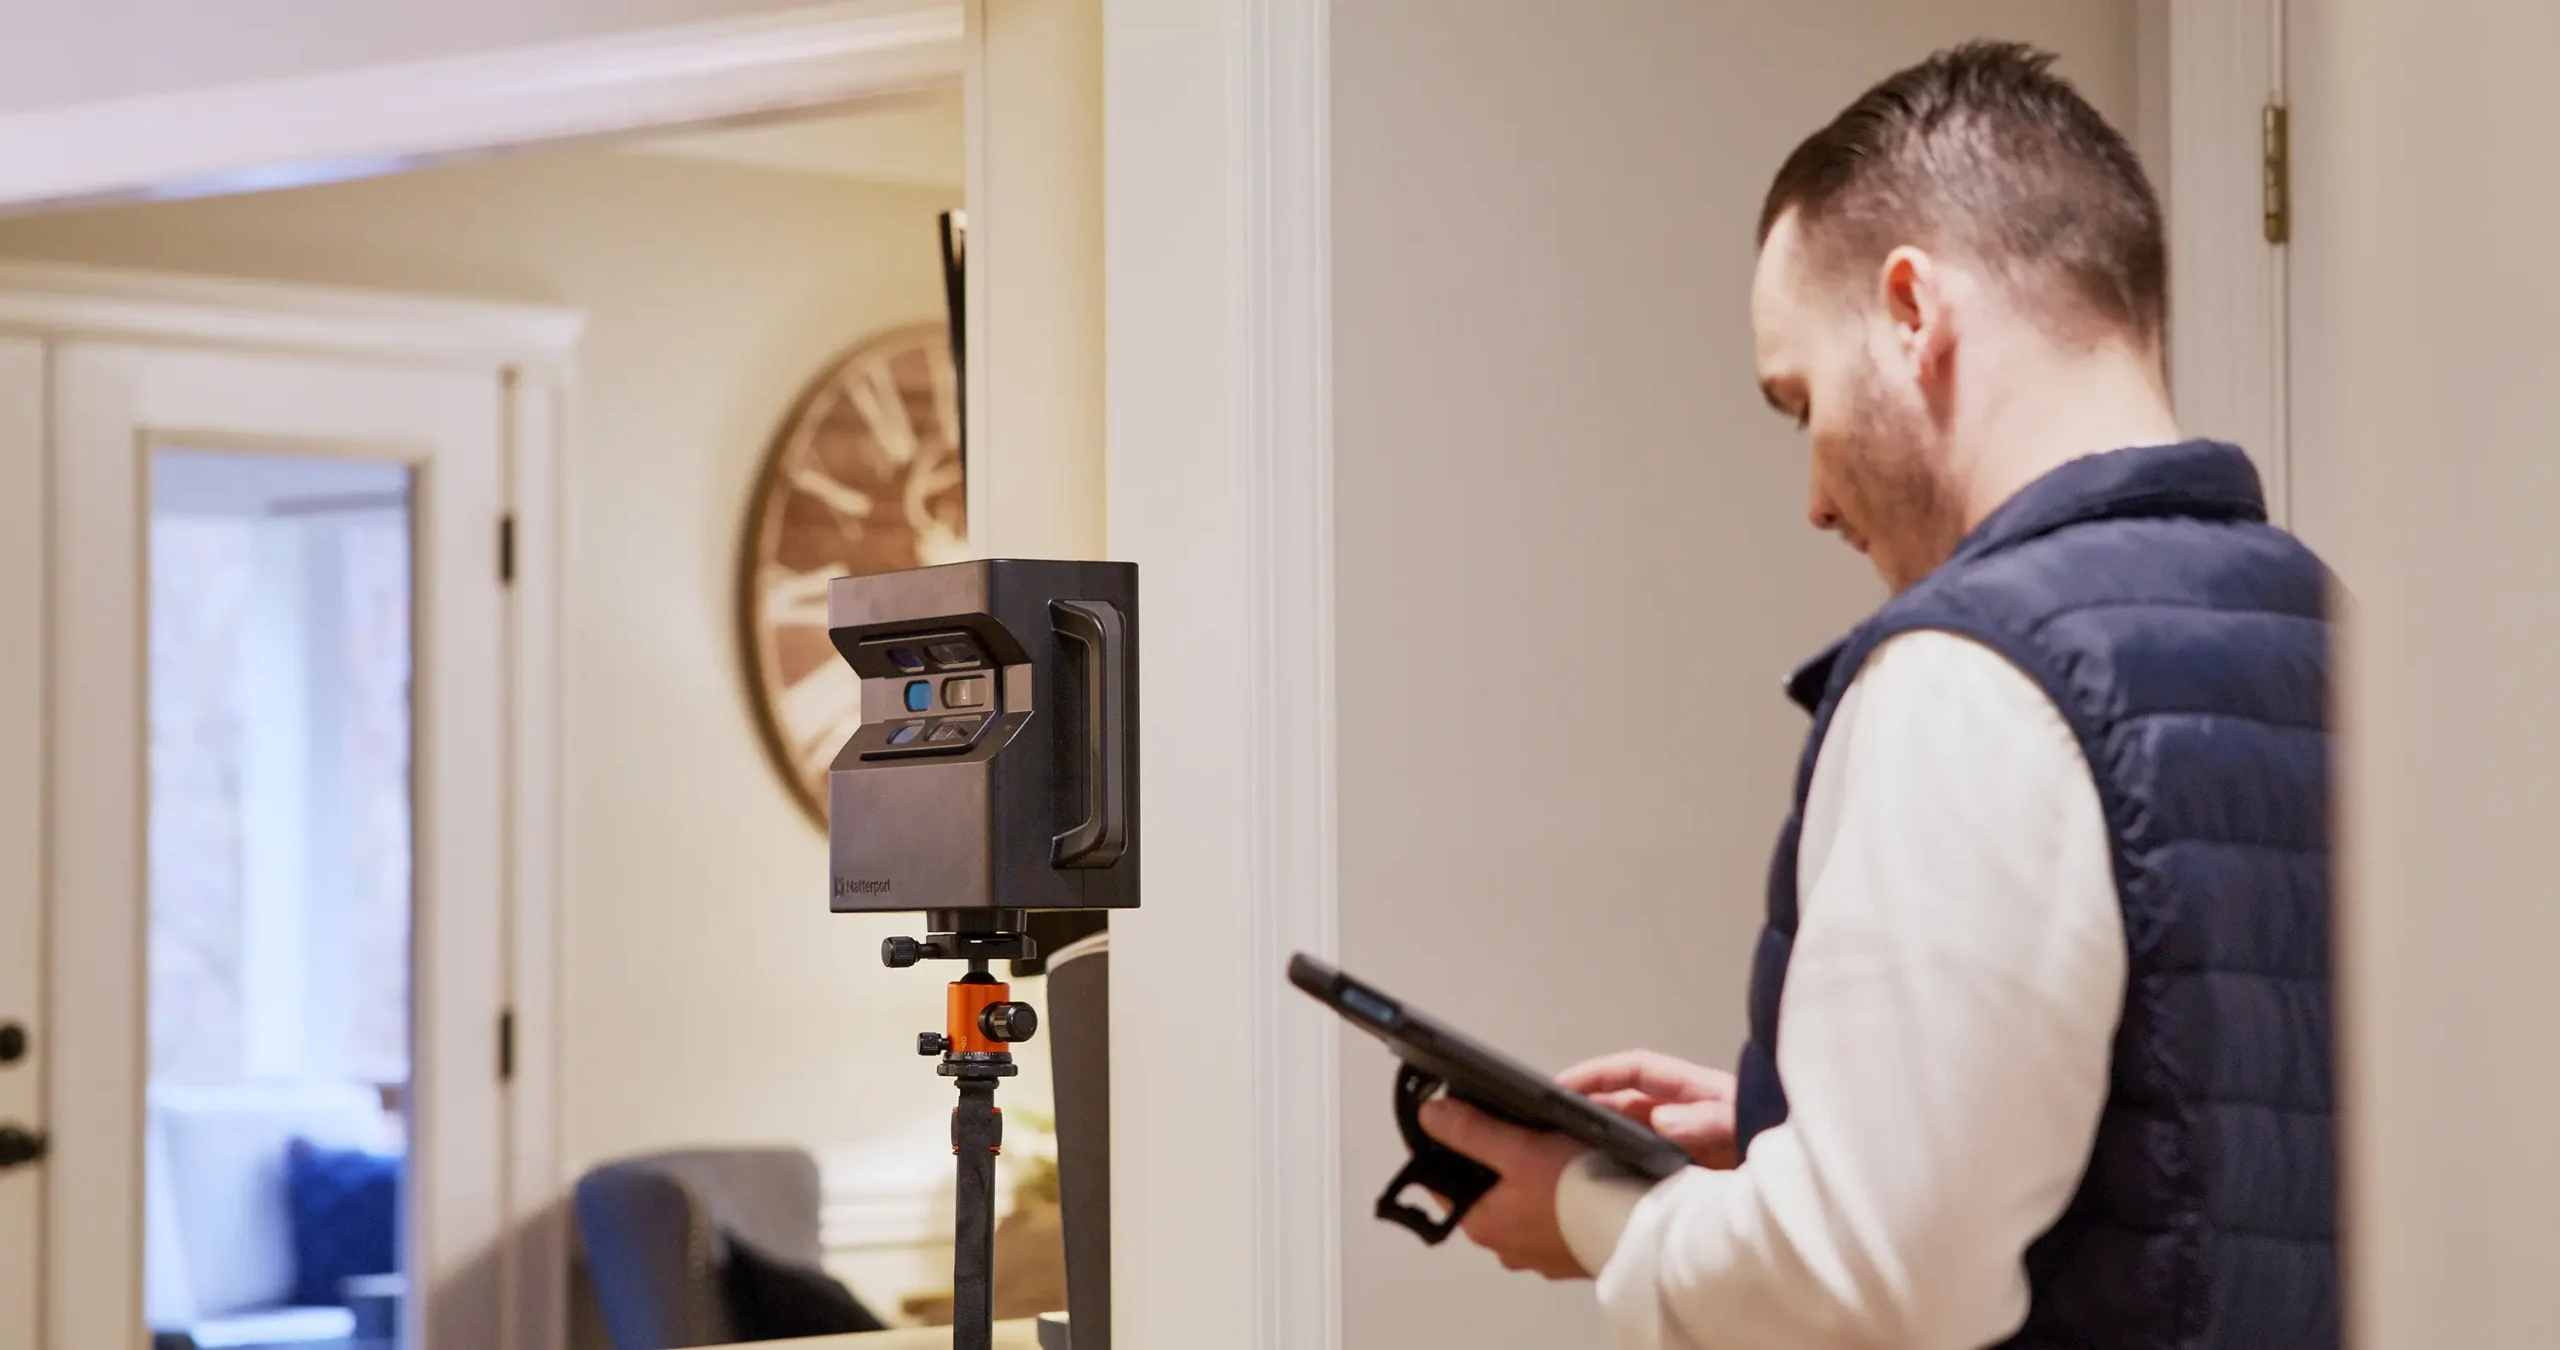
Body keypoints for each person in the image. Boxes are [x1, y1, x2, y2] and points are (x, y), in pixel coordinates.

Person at [1417, 40, 2338, 1350]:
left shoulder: (1976, 677)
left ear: (1912, 310)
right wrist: (1824, 1118)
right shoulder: (2339, 638)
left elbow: (1872, 1278)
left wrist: (1586, 1211)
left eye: (1799, 401)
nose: (1814, 498)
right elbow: (2219, 1121)